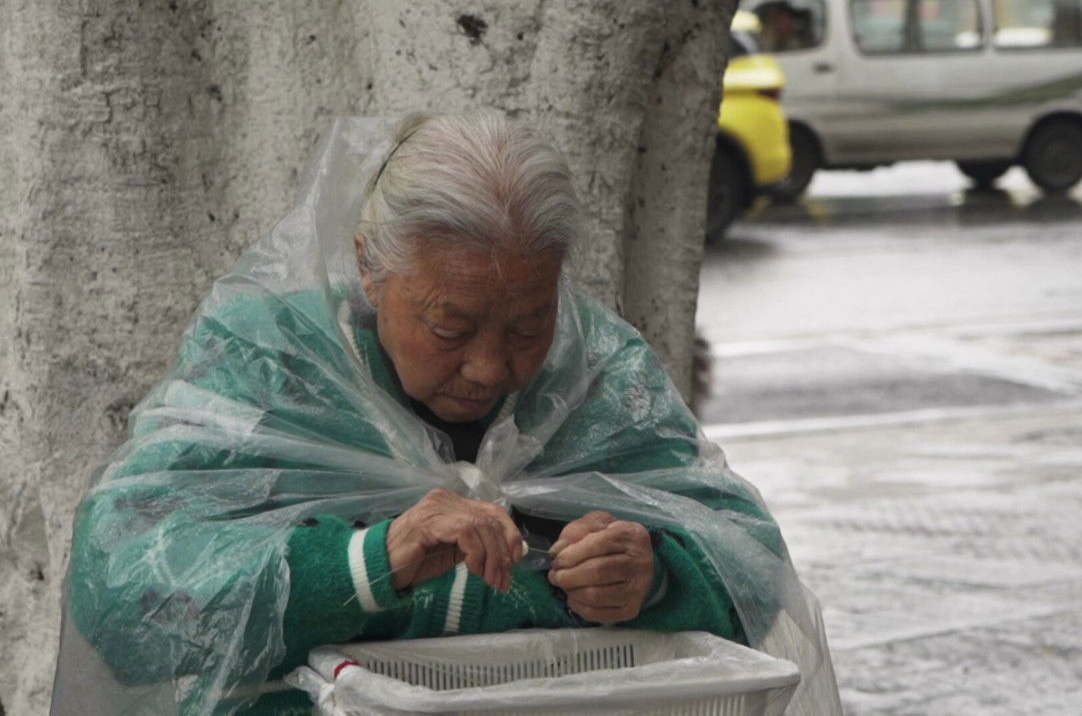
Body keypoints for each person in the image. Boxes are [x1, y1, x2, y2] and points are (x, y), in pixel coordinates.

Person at [52, 112, 838, 715]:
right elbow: (122, 590)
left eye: (528, 324)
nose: (490, 367)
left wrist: (657, 577)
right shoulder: (270, 363)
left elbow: (748, 557)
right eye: (450, 327)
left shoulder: (594, 372)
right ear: (370, 267)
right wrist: (368, 563)